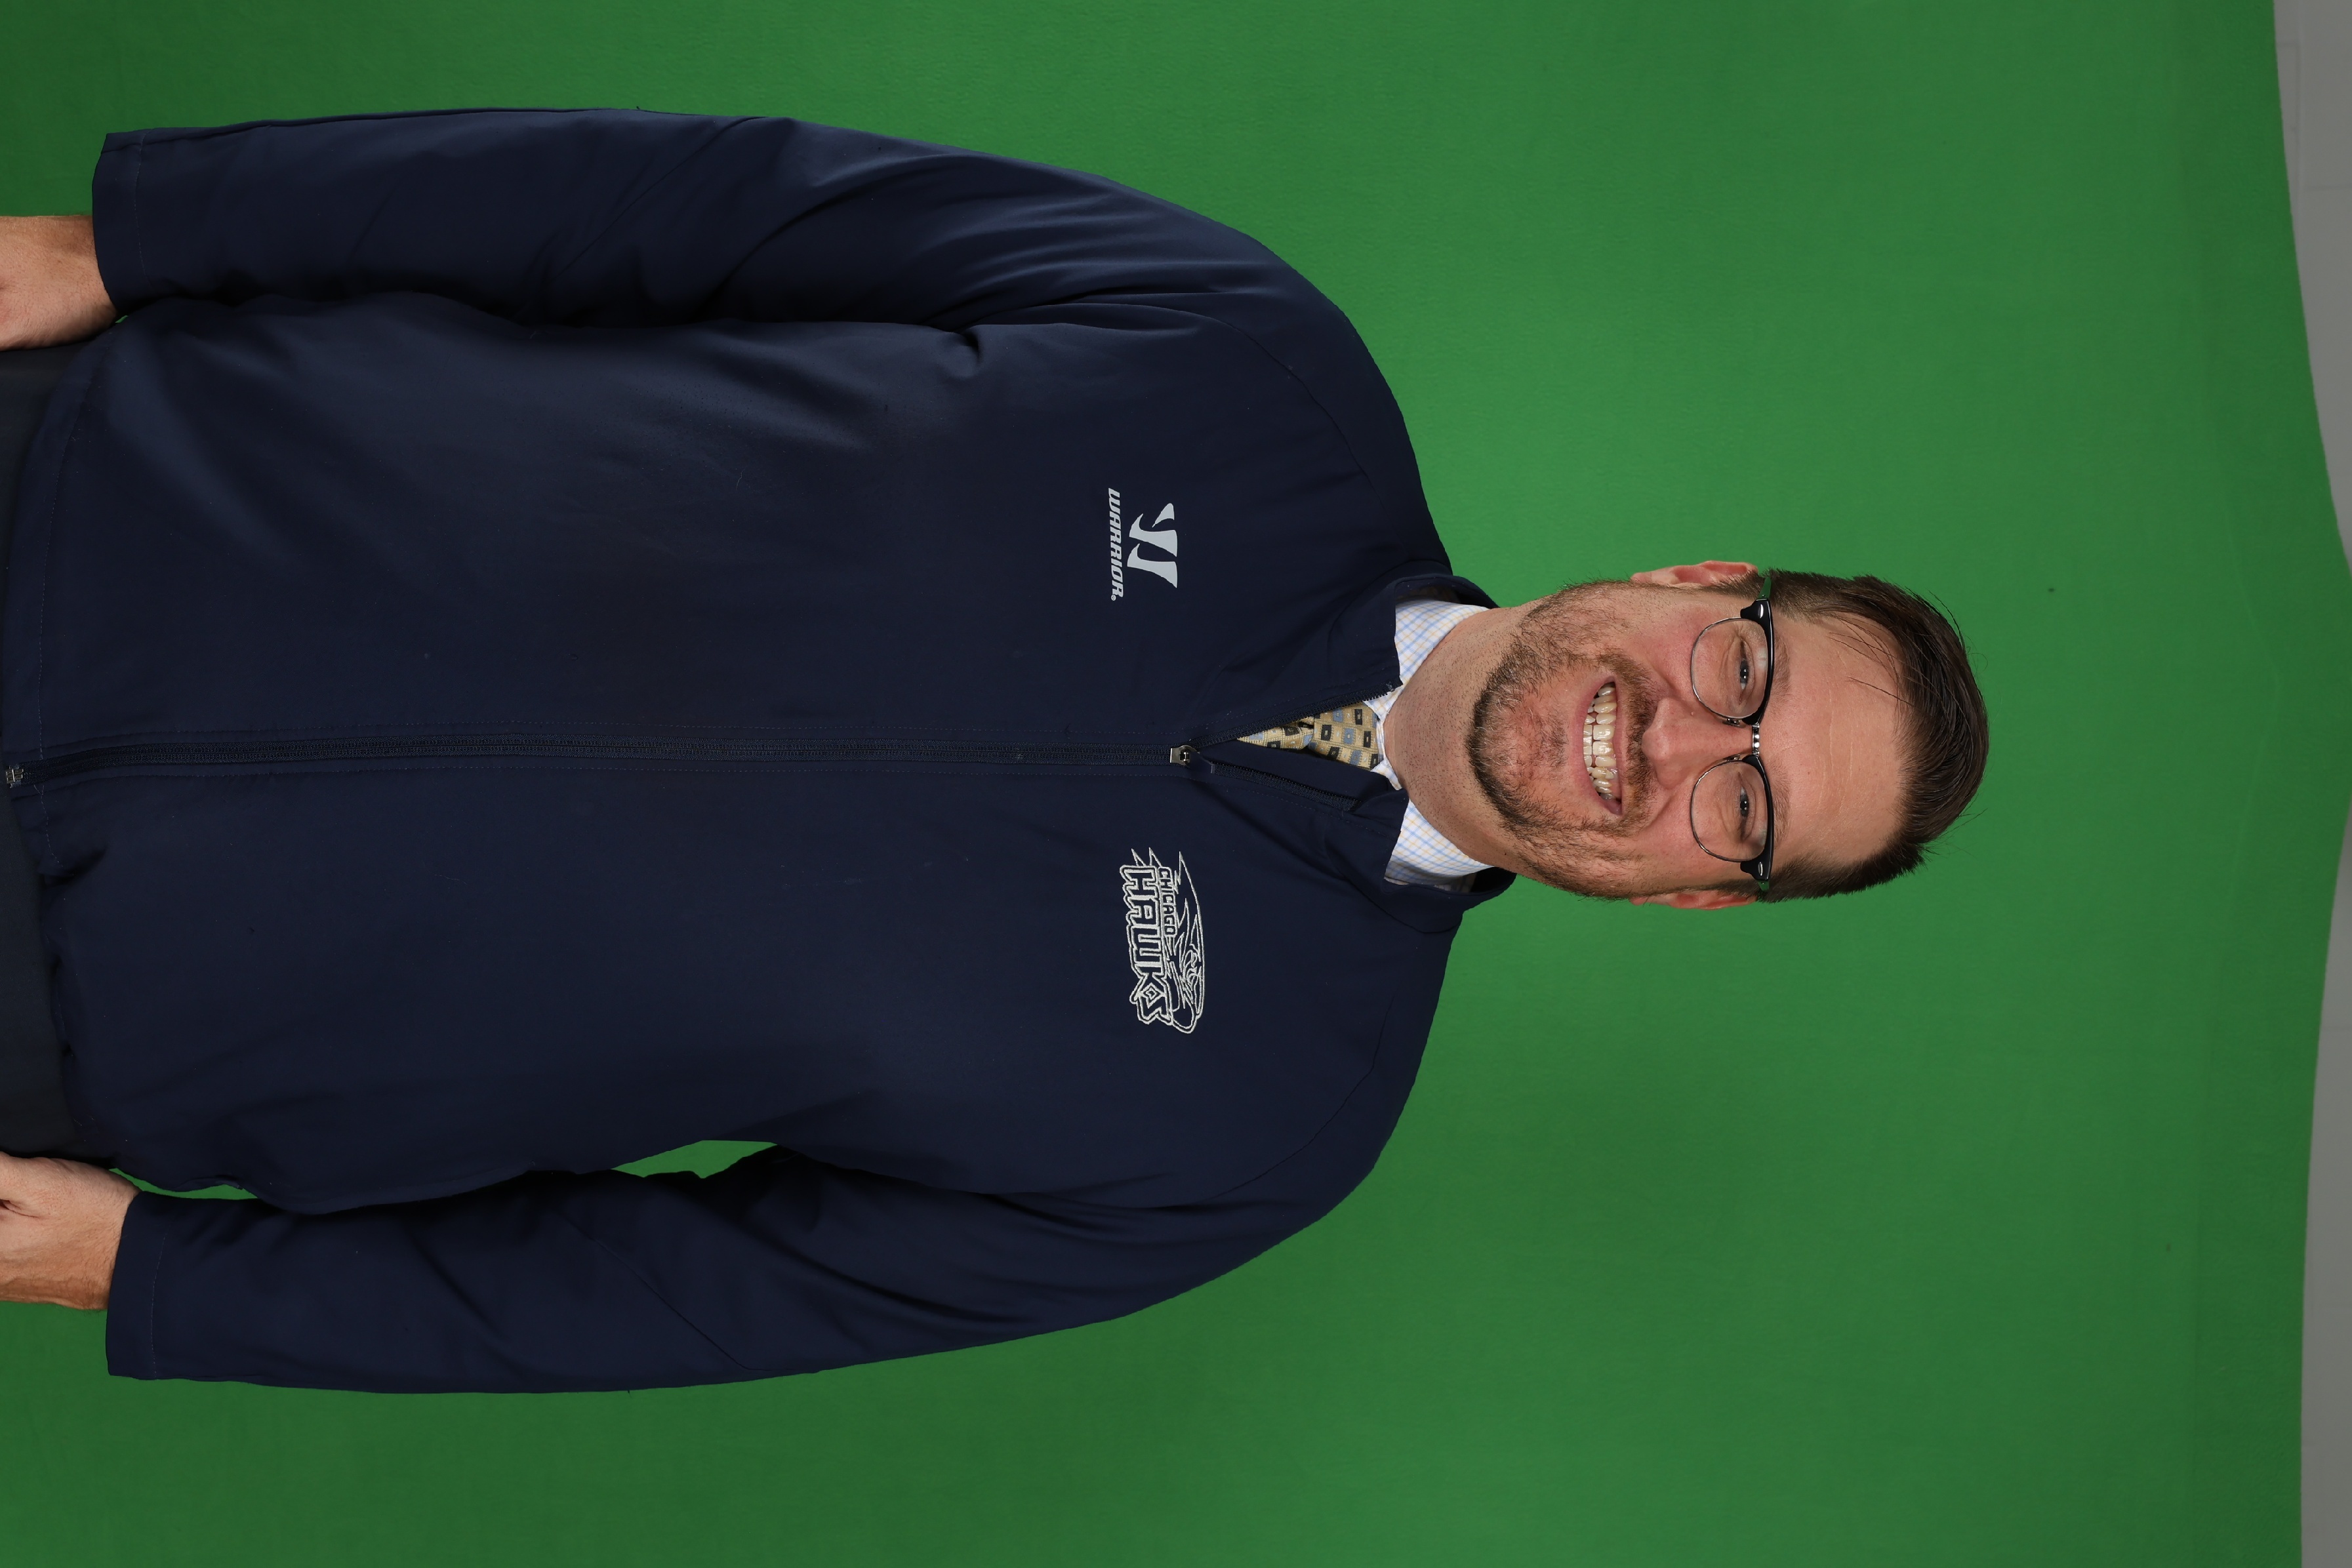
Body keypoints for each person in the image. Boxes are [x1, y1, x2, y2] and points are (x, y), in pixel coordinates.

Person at [0, 110, 1989, 1393]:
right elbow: (682, 207)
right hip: (101, 490)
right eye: (1741, 663)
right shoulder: (1251, 365)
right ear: (1691, 574)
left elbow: (668, 1293)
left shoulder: (1255, 1136)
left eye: (1746, 803)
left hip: (82, 1002)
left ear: (1699, 897)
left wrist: (163, 1279)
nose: (1676, 736)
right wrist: (136, 243)